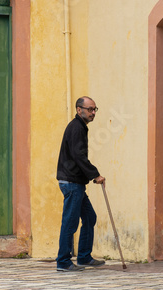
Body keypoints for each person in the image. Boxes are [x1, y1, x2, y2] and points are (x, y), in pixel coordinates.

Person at [56, 96, 106, 272]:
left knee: (89, 217)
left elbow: (78, 156)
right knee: (70, 222)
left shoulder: (79, 127)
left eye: (94, 109)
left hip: (75, 182)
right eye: (90, 109)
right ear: (79, 110)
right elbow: (79, 156)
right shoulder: (76, 128)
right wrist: (95, 174)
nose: (93, 113)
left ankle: (84, 257)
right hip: (71, 182)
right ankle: (63, 261)